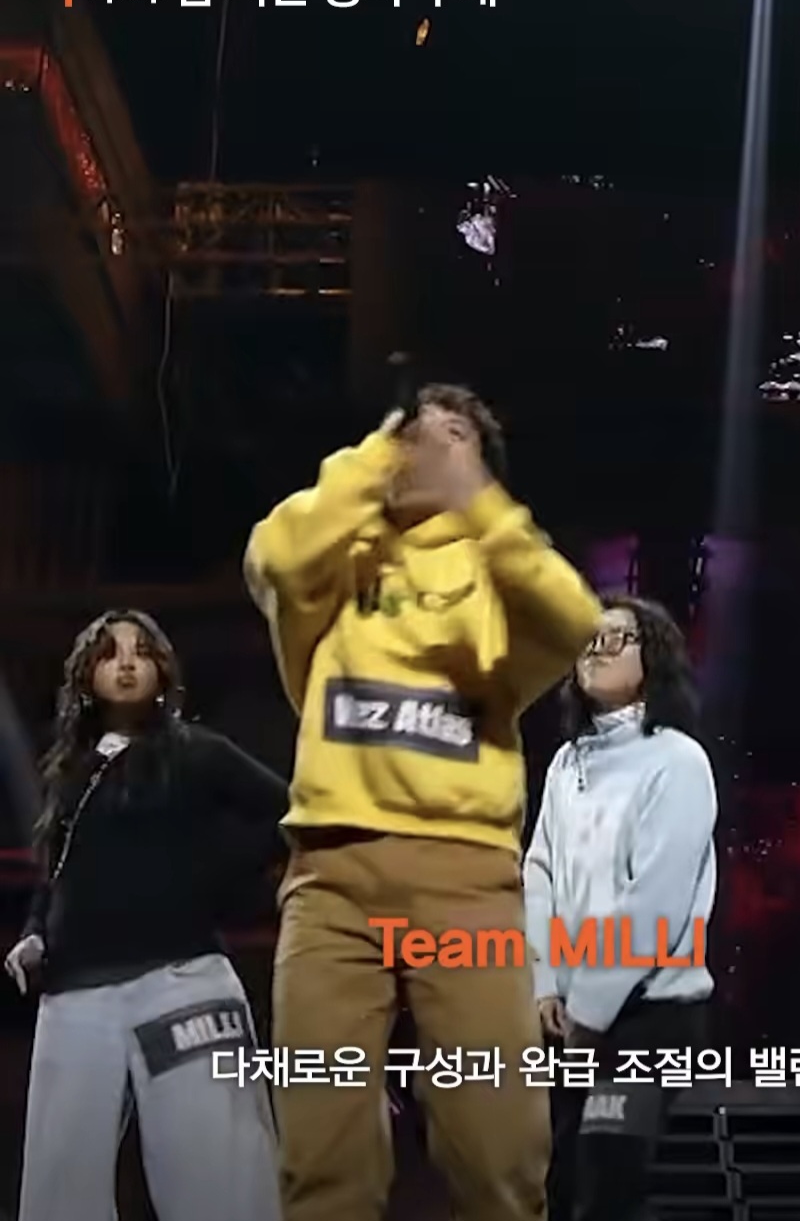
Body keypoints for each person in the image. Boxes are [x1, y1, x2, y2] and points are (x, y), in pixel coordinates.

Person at [244, 384, 602, 1221]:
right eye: (413, 433)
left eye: (451, 436)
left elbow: (575, 622)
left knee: (499, 1157)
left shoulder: (499, 572)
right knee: (321, 1162)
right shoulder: (337, 556)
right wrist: (378, 454)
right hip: (331, 878)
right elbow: (274, 560)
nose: (425, 449)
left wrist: (477, 498)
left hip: (467, 881)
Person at [3, 609, 287, 1221]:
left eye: (140, 651)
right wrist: (34, 935)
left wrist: (210, 879)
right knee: (57, 1186)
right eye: (110, 652)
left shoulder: (197, 752)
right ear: (87, 675)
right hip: (74, 994)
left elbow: (284, 813)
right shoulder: (71, 771)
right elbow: (59, 873)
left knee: (220, 1176)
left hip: (182, 984)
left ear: (162, 671)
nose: (127, 662)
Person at [524, 595, 718, 1221]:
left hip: (649, 1019)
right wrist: (545, 984)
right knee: (555, 1189)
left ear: (653, 657)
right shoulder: (566, 764)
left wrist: (588, 1007)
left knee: (607, 1189)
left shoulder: (678, 760)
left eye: (616, 638)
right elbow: (539, 874)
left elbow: (654, 904)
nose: (597, 649)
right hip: (567, 1020)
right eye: (588, 638)